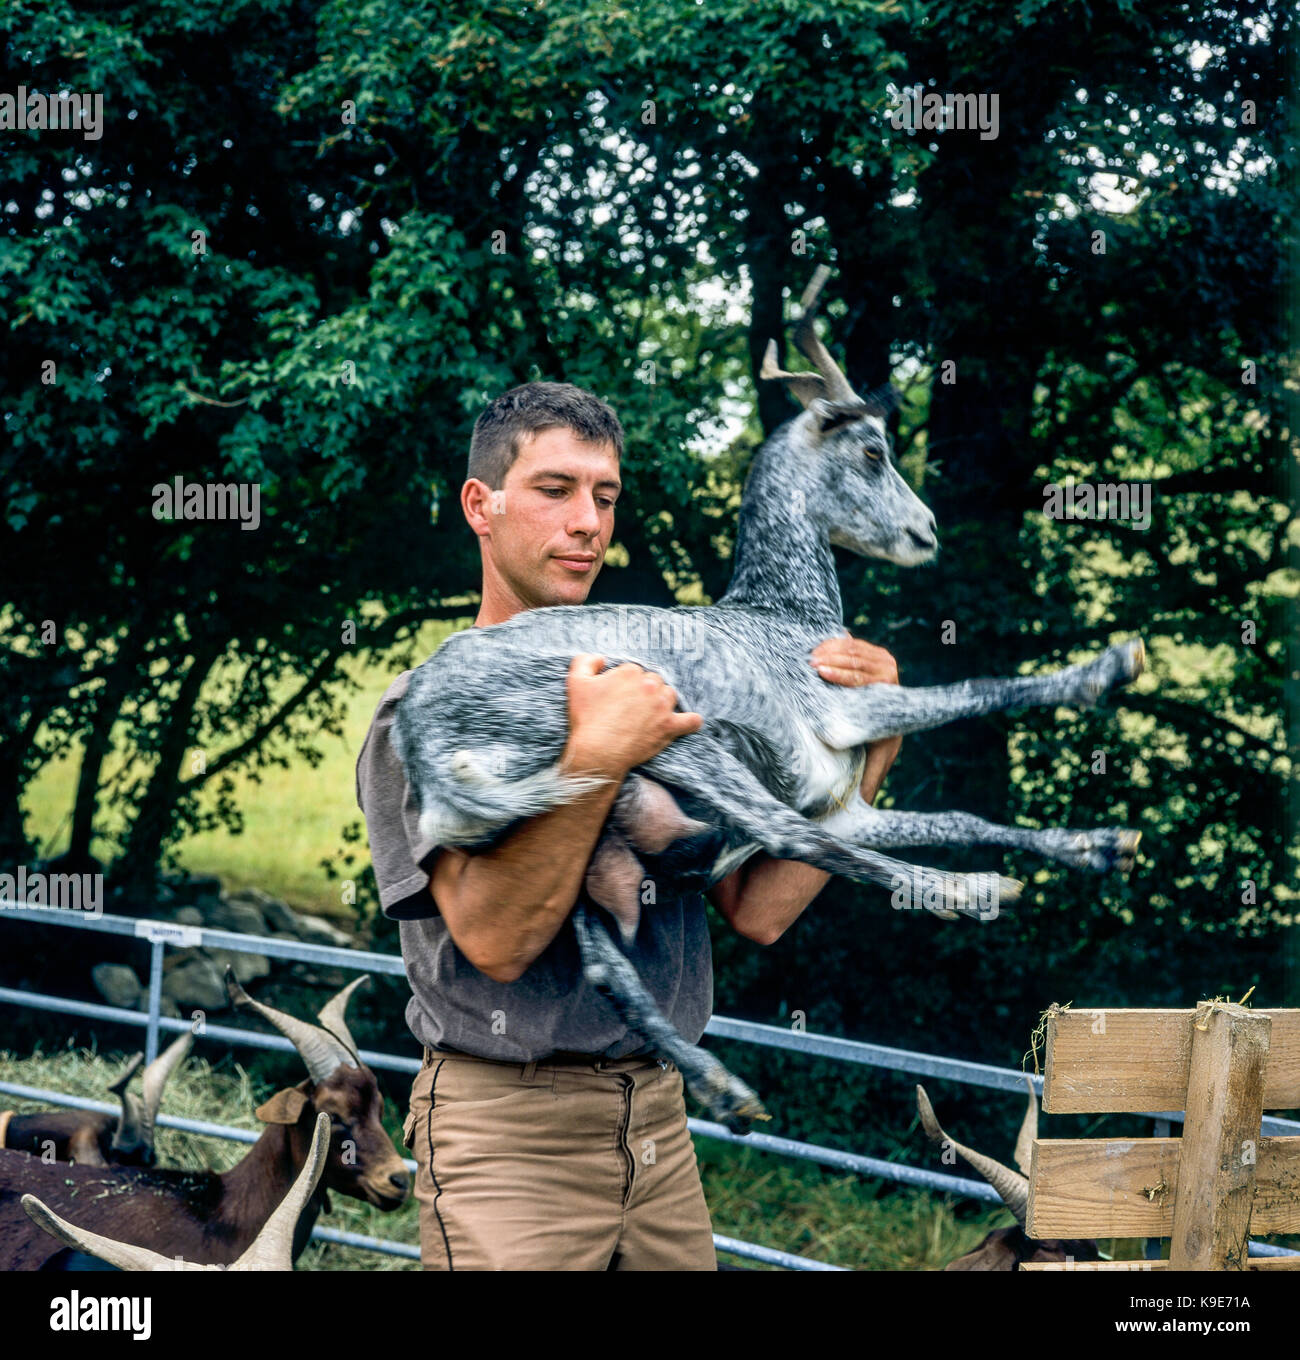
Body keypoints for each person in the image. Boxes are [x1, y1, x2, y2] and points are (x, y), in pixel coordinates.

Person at [355, 381, 902, 1270]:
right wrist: (597, 760)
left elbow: (758, 910)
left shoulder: (661, 687)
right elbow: (495, 938)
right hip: (508, 1139)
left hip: (660, 1126)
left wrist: (872, 746)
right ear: (480, 505)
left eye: (605, 496)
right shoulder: (426, 710)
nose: (587, 522)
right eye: (555, 488)